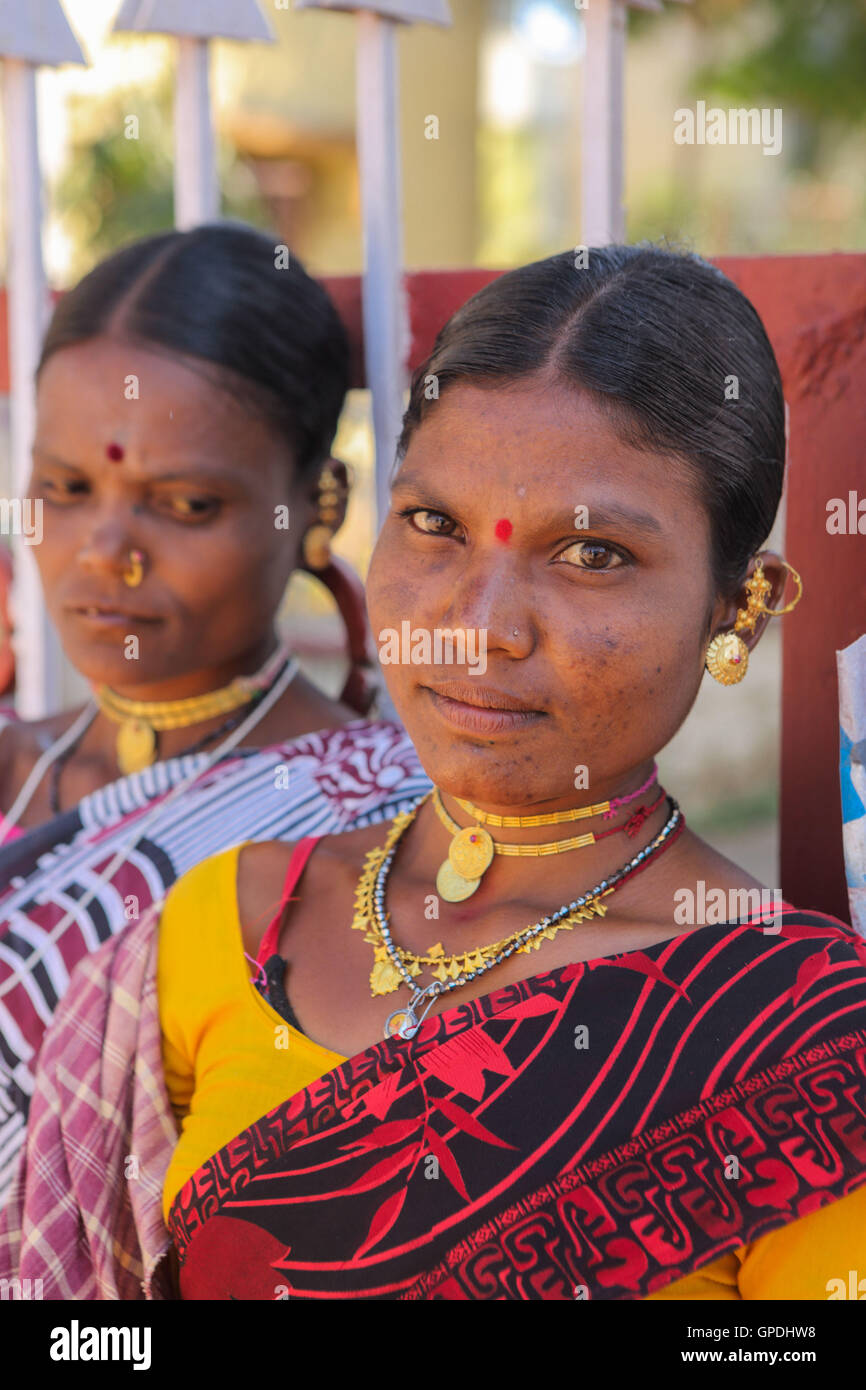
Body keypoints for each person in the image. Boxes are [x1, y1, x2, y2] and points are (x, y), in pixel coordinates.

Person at [4, 244, 865, 1299]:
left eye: (590, 553)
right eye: (434, 525)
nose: (478, 626)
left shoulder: (799, 1035)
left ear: (738, 607)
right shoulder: (229, 920)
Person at [0, 222, 427, 1200]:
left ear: (318, 505)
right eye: (65, 489)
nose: (105, 549)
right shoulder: (14, 765)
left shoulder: (374, 819)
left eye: (185, 504)